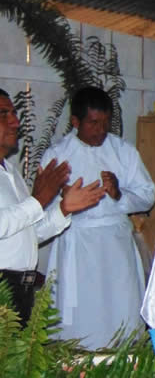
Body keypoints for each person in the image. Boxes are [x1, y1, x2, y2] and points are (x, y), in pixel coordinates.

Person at [43, 86, 155, 349]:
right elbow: (41, 208)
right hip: (76, 244)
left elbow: (147, 196)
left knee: (120, 310)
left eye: (105, 123)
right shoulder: (57, 156)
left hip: (115, 245)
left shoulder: (123, 151)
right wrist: (65, 203)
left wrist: (120, 194)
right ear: (75, 122)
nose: (100, 131)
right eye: (93, 123)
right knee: (80, 318)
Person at [0, 89, 104, 325]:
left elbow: (28, 234)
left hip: (21, 289)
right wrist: (38, 200)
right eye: (4, 114)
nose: (15, 122)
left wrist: (63, 209)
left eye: (14, 114)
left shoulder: (10, 172)